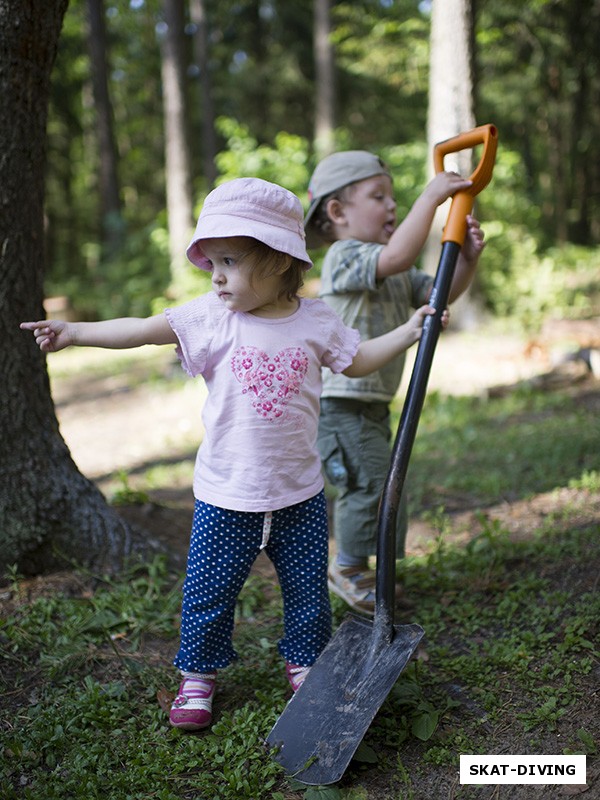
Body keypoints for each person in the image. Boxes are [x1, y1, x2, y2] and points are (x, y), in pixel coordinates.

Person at [21, 177, 447, 732]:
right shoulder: (212, 316)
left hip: (299, 493)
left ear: (277, 261)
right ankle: (197, 675)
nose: (216, 275)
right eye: (212, 261)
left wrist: (410, 332)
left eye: (229, 261)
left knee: (306, 590)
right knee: (209, 592)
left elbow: (359, 358)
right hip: (227, 493)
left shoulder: (315, 320)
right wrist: (74, 331)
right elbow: (146, 329)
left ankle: (305, 662)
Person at [304, 150, 486, 616]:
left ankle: (361, 569)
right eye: (378, 196)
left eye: (395, 197)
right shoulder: (344, 258)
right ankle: (346, 567)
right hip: (341, 401)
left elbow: (440, 289)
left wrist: (465, 259)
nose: (392, 207)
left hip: (371, 401)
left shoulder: (393, 268)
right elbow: (399, 253)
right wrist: (432, 197)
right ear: (338, 212)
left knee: (383, 484)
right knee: (367, 486)